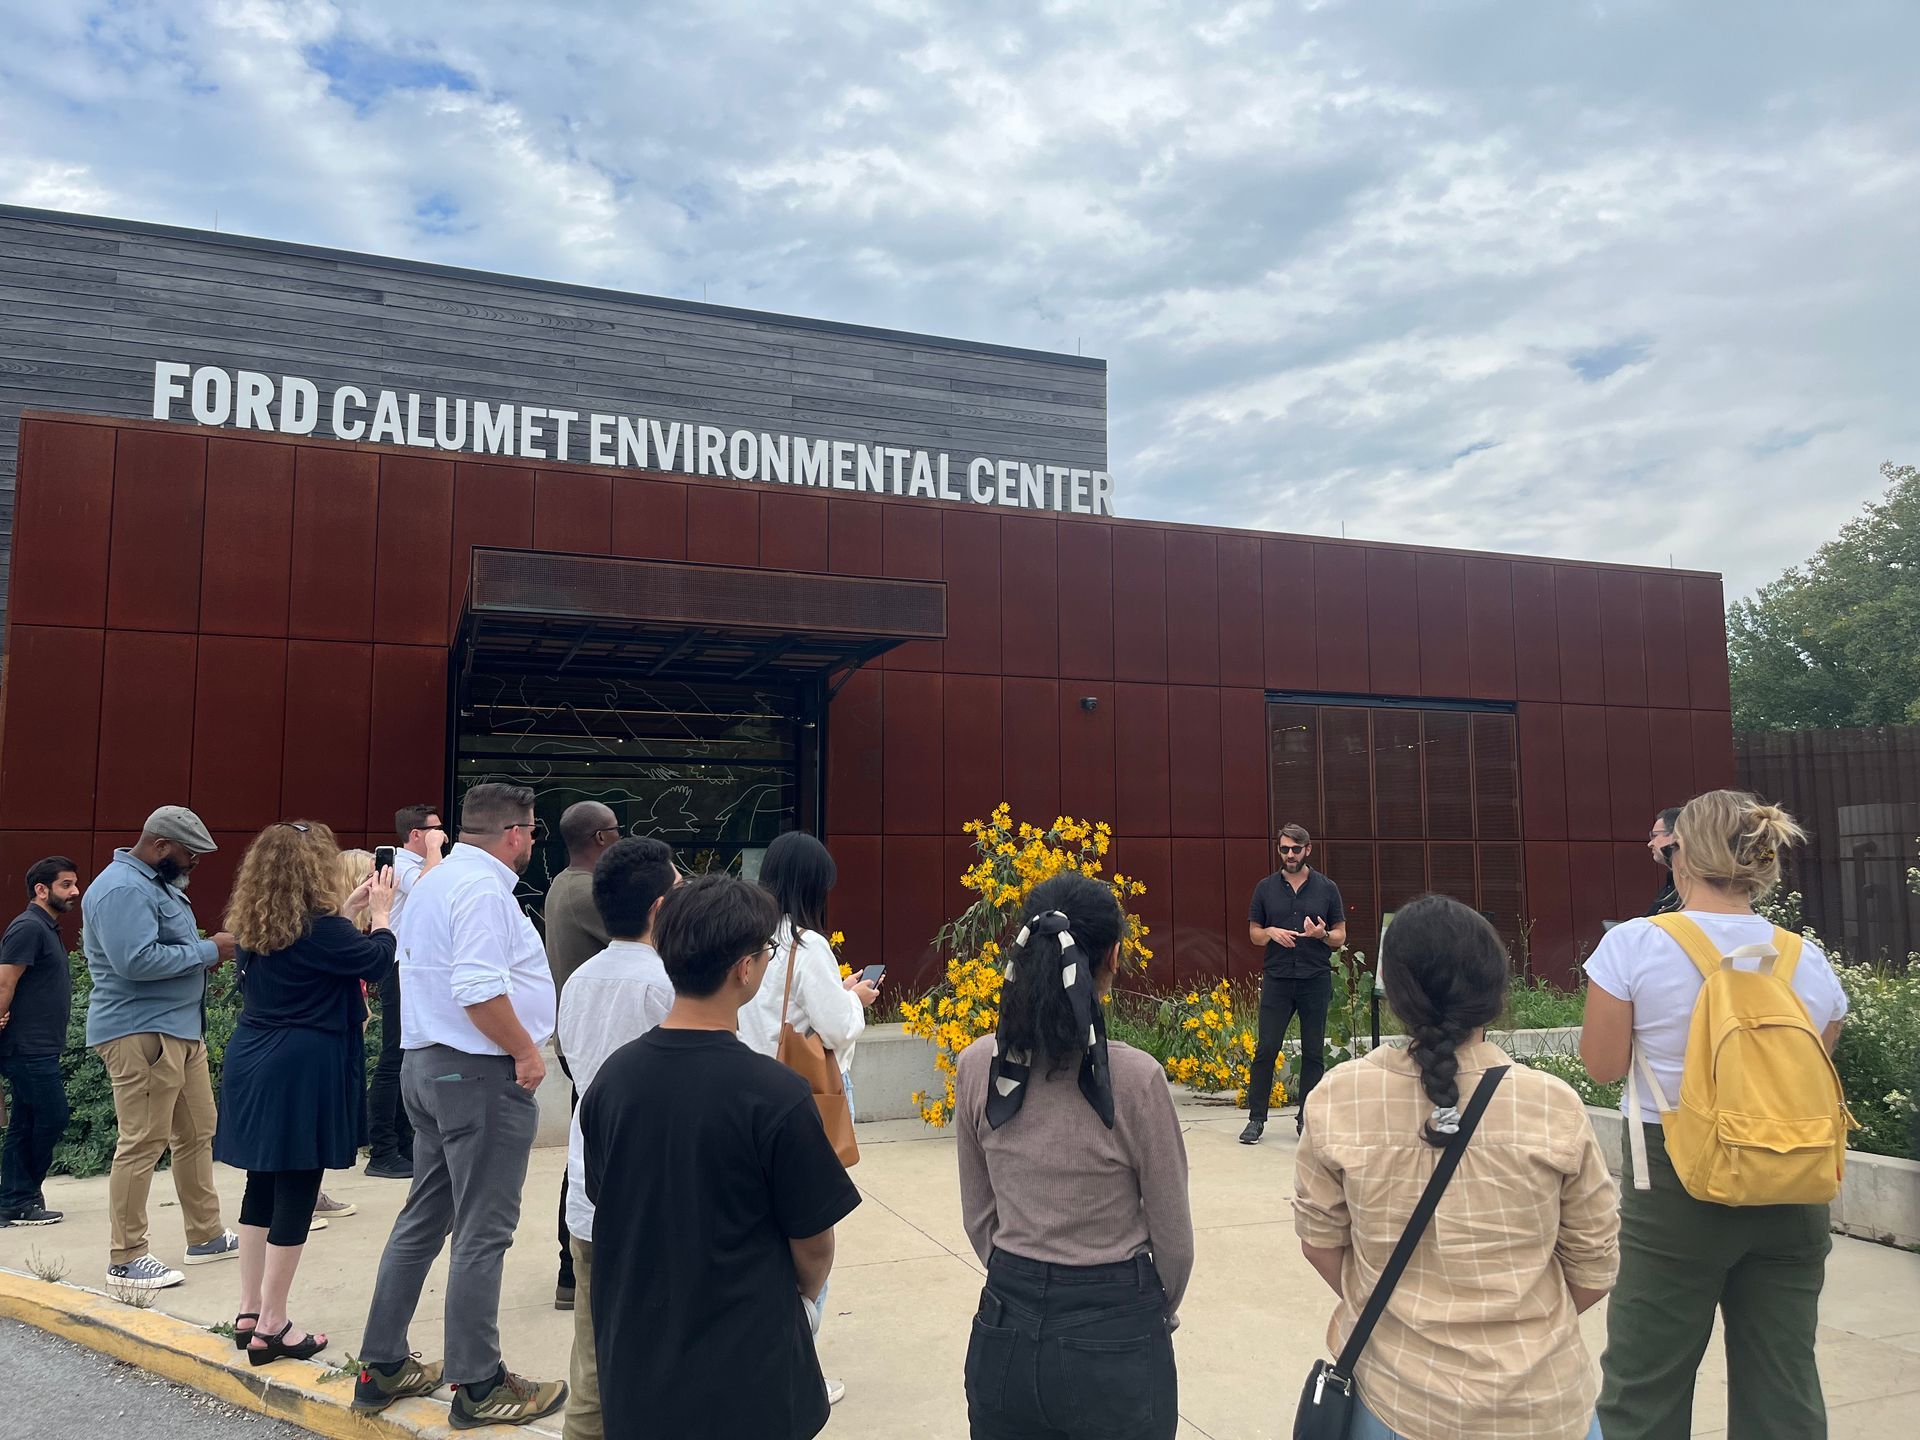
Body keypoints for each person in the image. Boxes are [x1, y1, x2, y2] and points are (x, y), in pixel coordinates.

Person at [1293, 894, 1618, 1440]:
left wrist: (1401, 1312)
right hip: (1542, 1406)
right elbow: (1595, 1267)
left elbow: (1321, 1242)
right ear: (1495, 990)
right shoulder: (1551, 1105)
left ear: (1394, 994)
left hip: (1396, 1401)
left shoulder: (1339, 1097)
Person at [1581, 790, 1849, 1440]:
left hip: (1675, 1187)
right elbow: (1811, 1064)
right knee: (1784, 1390)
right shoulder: (1805, 960)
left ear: (1682, 854)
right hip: (1793, 1186)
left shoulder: (1635, 946)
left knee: (1644, 1393)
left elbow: (1604, 1065)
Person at [581, 873, 861, 1440]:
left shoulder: (613, 1080)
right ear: (744, 969)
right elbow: (814, 1244)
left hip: (638, 1372)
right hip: (747, 1376)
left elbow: (605, 1198)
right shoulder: (775, 1095)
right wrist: (799, 1299)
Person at [353, 783, 566, 1429]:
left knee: (424, 1220)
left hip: (426, 1066)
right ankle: (477, 1384)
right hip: (476, 1073)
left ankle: (382, 1365)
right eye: (532, 830)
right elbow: (477, 988)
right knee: (483, 1232)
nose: (531, 840)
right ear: (515, 833)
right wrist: (526, 1053)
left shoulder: (433, 885)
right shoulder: (480, 891)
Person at [954, 871, 1194, 1440]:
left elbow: (978, 1214)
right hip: (1114, 1327)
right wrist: (1150, 1309)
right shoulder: (1134, 1079)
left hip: (1004, 1324)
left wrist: (1022, 1276)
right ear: (1113, 955)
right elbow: (1174, 1239)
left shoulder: (977, 1067)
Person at [214, 822, 397, 1364]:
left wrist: (347, 907)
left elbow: (312, 956)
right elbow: (375, 961)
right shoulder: (322, 930)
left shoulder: (254, 926)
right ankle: (274, 1326)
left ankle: (250, 1311)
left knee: (261, 1187)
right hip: (303, 1064)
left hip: (253, 1056)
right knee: (297, 1186)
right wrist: (380, 915)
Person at [82, 805, 240, 1290]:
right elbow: (135, 961)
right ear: (160, 846)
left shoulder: (152, 884)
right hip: (141, 1033)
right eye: (190, 853)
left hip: (175, 1031)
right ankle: (126, 1258)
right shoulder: (124, 888)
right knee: (143, 1143)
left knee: (196, 1133)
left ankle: (206, 1235)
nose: (195, 863)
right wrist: (212, 949)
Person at [556, 836, 679, 1440]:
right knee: (662, 1352)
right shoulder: (668, 988)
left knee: (592, 1352)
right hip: (656, 1196)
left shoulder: (579, 982)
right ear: (659, 908)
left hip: (589, 1187)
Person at [542, 799, 618, 1310]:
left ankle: (573, 1267)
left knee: (587, 1143)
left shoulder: (563, 884)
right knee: (591, 1150)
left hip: (581, 1033)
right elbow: (652, 932)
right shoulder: (588, 892)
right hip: (594, 1036)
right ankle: (574, 1266)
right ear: (598, 838)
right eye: (616, 830)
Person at [739, 831, 879, 1102]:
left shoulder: (752, 939)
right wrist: (855, 999)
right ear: (811, 887)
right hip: (804, 1089)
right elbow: (838, 1030)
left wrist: (839, 990)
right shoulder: (806, 944)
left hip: (755, 1083)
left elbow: (781, 1004)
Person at [1242, 823, 1347, 1143]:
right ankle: (1256, 1120)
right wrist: (1271, 932)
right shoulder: (1265, 888)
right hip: (1278, 979)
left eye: (1295, 849)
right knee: (1266, 1049)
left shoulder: (1327, 889)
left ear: (1308, 850)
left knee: (1314, 1052)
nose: (1289, 855)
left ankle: (1307, 1120)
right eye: (1284, 849)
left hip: (1314, 979)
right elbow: (1254, 934)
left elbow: (1341, 936)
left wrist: (1322, 934)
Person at [366, 804, 446, 1181]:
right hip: (398, 966)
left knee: (406, 1053)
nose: (441, 835)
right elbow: (433, 890)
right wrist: (434, 851)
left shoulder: (411, 864)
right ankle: (382, 1149)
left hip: (409, 967)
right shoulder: (401, 865)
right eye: (434, 829)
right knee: (393, 1056)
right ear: (416, 834)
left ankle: (400, 1142)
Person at [0, 856, 80, 1227]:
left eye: (75, 884)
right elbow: (5, 981)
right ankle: (20, 1196)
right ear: (41, 889)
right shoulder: (29, 927)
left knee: (28, 1120)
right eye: (66, 884)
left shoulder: (45, 927)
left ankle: (17, 1200)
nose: (75, 891)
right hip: (26, 1047)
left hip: (38, 1046)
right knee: (51, 1115)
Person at [1645, 806, 1683, 916]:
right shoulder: (1672, 880)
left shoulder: (1691, 881)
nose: (1650, 844)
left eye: (1654, 836)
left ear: (1676, 834)